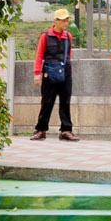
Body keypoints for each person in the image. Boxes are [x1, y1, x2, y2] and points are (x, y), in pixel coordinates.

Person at [31, 8, 78, 141]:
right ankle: (40, 130)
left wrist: (65, 68)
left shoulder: (68, 36)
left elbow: (68, 55)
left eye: (67, 20)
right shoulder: (45, 36)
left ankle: (66, 130)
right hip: (49, 71)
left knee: (65, 101)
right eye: (63, 20)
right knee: (47, 101)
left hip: (65, 72)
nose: (65, 23)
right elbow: (39, 55)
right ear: (56, 21)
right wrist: (36, 74)